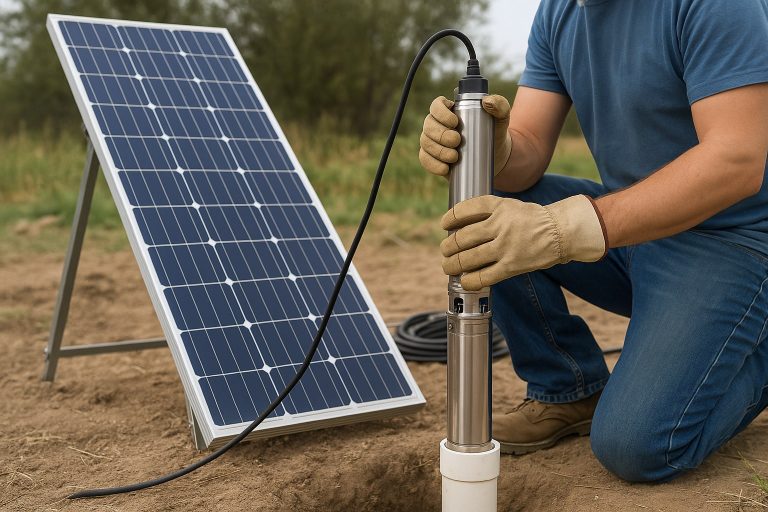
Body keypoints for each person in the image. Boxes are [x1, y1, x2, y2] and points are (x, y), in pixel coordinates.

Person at [419, 0, 768, 482]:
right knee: (486, 192)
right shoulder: (561, 9)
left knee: (637, 445)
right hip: (638, 230)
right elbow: (529, 150)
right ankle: (568, 388)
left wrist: (565, 229)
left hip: (733, 239)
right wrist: (493, 148)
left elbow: (736, 163)